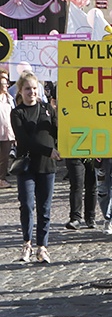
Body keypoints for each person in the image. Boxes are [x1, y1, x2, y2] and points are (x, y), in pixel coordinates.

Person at [11, 71, 61, 263]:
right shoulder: (17, 112)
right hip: (27, 165)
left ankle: (43, 247)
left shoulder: (48, 109)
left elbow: (58, 132)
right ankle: (27, 243)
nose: (31, 92)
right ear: (21, 91)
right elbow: (24, 140)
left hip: (47, 167)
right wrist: (48, 150)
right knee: (26, 205)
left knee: (45, 208)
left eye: (33, 88)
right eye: (27, 89)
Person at [63, 158, 97, 229]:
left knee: (92, 187)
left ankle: (90, 218)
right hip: (74, 154)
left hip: (94, 154)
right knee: (76, 186)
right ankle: (75, 218)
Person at [1, 72, 17, 189]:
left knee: (4, 157)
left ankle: (2, 179)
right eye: (3, 83)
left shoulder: (9, 98)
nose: (5, 86)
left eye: (6, 83)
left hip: (6, 132)